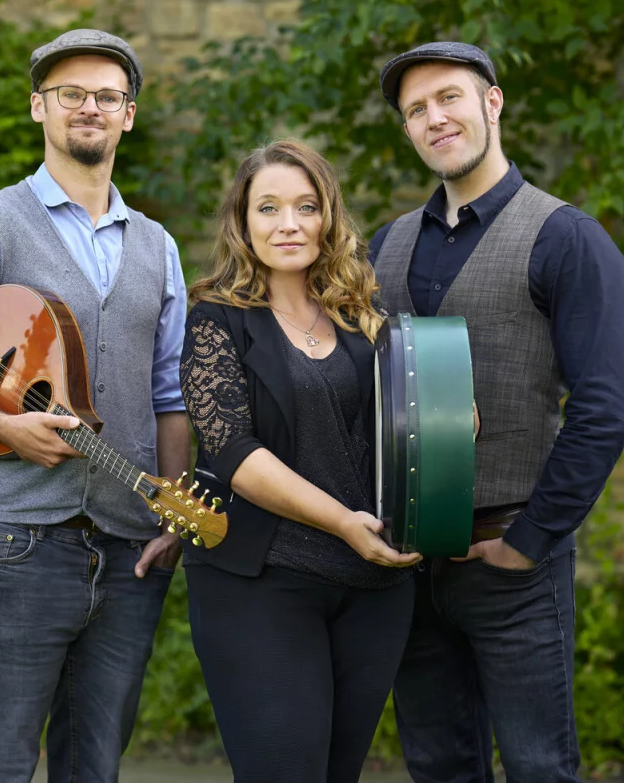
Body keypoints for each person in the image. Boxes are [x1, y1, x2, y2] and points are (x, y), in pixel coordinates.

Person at [0, 28, 189, 783]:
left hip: (128, 553)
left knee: (95, 769)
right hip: (16, 546)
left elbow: (170, 394)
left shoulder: (160, 247)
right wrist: (4, 428)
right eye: (70, 93)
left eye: (107, 96)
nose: (89, 107)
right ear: (38, 107)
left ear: (128, 115)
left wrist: (172, 514)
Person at [371, 41, 624, 782]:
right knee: (438, 767)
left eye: (448, 98)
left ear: (492, 103)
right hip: (408, 570)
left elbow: (605, 408)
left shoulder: (567, 238)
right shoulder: (384, 244)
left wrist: (532, 539)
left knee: (539, 767)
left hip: (512, 562)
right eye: (416, 109)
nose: (434, 118)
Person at [179, 139, 420, 783]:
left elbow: (420, 417)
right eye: (269, 208)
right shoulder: (216, 322)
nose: (288, 223)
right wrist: (342, 521)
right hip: (261, 581)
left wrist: (454, 409)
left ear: (328, 218)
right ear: (243, 222)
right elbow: (235, 455)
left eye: (306, 207)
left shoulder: (363, 316)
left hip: (373, 585)